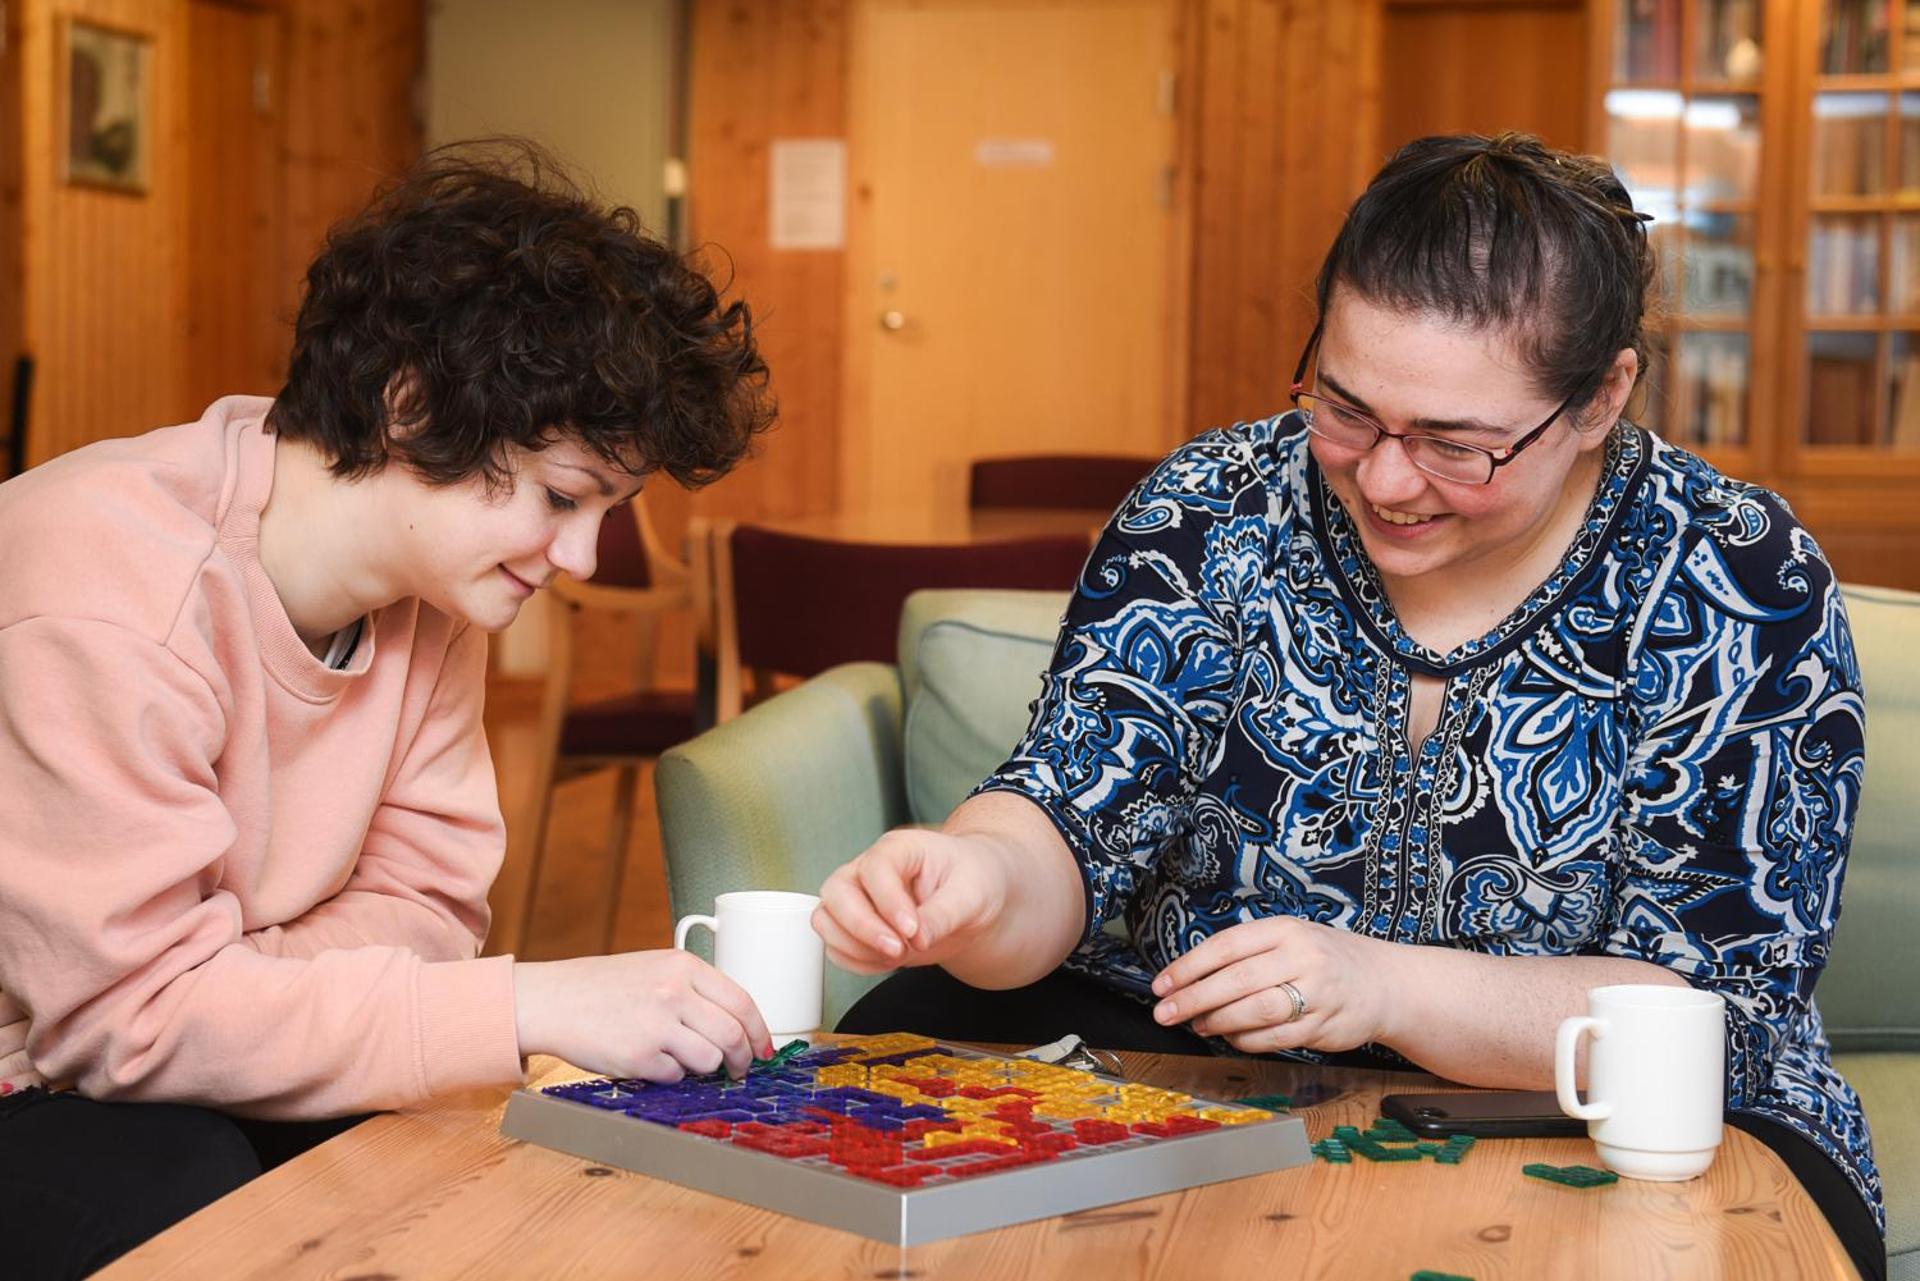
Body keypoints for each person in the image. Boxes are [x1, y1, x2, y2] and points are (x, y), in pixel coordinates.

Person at [814, 133, 1886, 1280]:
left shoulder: (1738, 574)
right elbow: (1065, 820)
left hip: (1603, 1112)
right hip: (1202, 1076)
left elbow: (1707, 1012)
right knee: (901, 1043)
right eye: (1347, 406)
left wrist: (1379, 982)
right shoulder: (1208, 512)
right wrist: (977, 878)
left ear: (1601, 396)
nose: (1383, 478)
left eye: (1457, 445)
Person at [0, 142, 777, 1279]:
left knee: (437, 1150)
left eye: (605, 510)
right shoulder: (112, 600)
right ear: (412, 406)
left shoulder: (434, 592)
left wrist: (235, 986)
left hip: (111, 1057)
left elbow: (426, 905)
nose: (577, 555)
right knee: (194, 1183)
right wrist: (524, 1000)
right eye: (565, 498)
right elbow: (135, 1023)